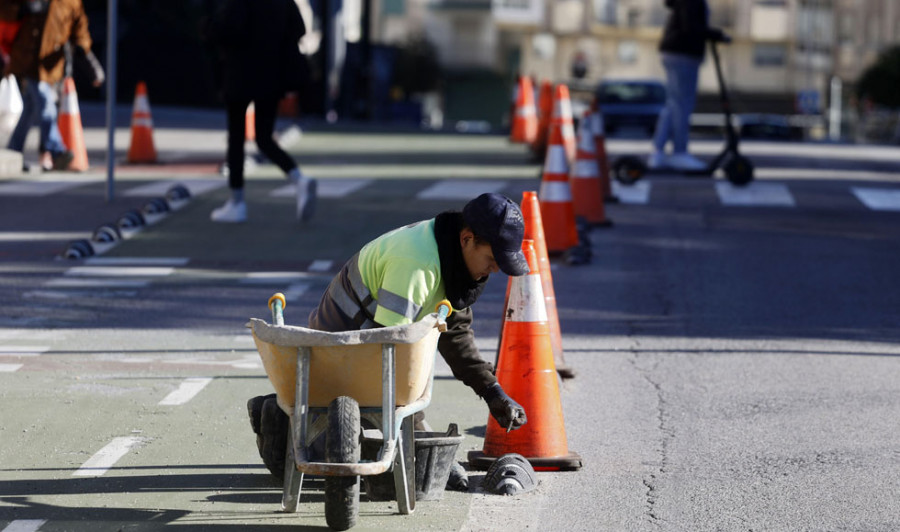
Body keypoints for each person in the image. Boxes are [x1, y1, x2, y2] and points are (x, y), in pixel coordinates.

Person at [249, 193, 530, 491]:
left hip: (371, 346)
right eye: (492, 258)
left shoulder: (451, 257)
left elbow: (455, 334)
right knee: (338, 462)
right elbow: (387, 359)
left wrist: (492, 390)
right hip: (338, 348)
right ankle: (279, 414)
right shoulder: (416, 266)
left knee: (379, 451)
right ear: (467, 239)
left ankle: (303, 413)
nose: (496, 269)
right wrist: (417, 437)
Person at [208, 0, 316, 224]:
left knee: (236, 138)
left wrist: (210, 28)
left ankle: (237, 203)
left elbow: (229, 29)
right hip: (272, 76)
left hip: (240, 74)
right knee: (264, 138)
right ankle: (299, 179)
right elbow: (299, 28)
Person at [2, 0, 104, 172]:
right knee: (44, 102)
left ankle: (14, 151)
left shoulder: (71, 2)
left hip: (49, 65)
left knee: (30, 109)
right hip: (26, 60)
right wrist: (23, 9)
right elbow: (5, 10)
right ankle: (57, 151)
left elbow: (80, 32)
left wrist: (91, 65)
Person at [648, 0, 729, 171]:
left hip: (676, 52)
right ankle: (679, 152)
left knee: (673, 105)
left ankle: (658, 152)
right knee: (682, 105)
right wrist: (716, 34)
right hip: (683, 54)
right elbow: (690, 27)